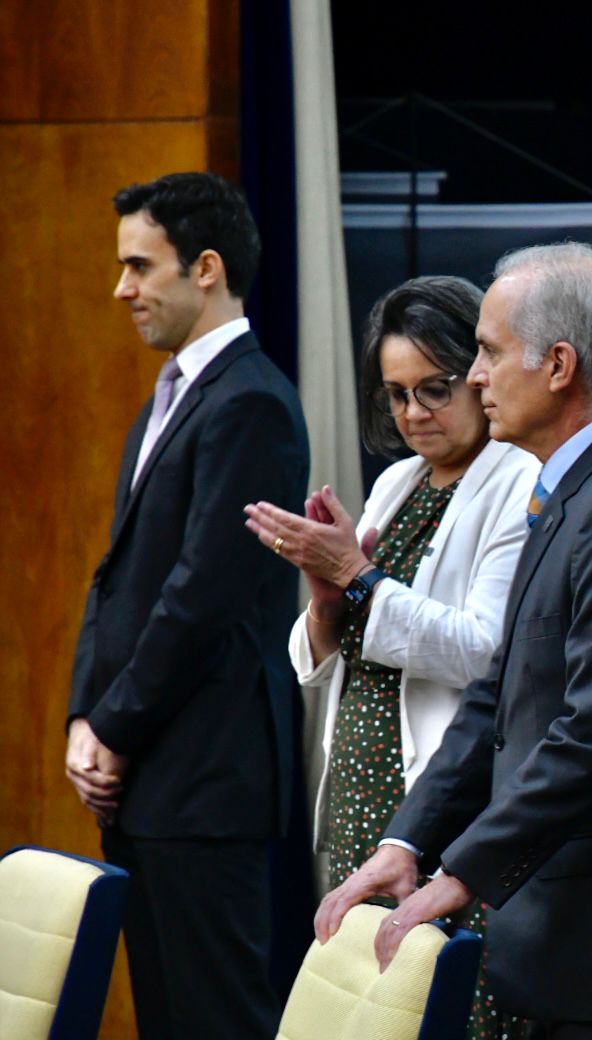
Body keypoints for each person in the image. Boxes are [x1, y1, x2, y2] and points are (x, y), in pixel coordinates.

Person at [315, 242, 592, 1039]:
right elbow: (498, 695)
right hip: (560, 935)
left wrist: (459, 871)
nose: (473, 377)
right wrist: (407, 839)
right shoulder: (572, 483)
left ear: (559, 364)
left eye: (489, 353)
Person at [243, 275, 539, 1039]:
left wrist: (359, 576)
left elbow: (488, 656)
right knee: (360, 1014)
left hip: (442, 808)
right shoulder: (397, 483)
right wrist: (326, 598)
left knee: (446, 1012)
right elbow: (317, 661)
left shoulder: (520, 480)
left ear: (479, 372)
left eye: (434, 389)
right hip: (358, 800)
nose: (413, 413)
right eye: (396, 393)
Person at [65, 171, 308, 1040]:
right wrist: (86, 717)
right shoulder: (170, 395)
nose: (121, 288)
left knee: (215, 1022)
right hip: (149, 780)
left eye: (140, 265)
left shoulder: (250, 401)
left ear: (205, 268)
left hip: (206, 782)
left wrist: (114, 730)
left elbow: (202, 596)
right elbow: (117, 576)